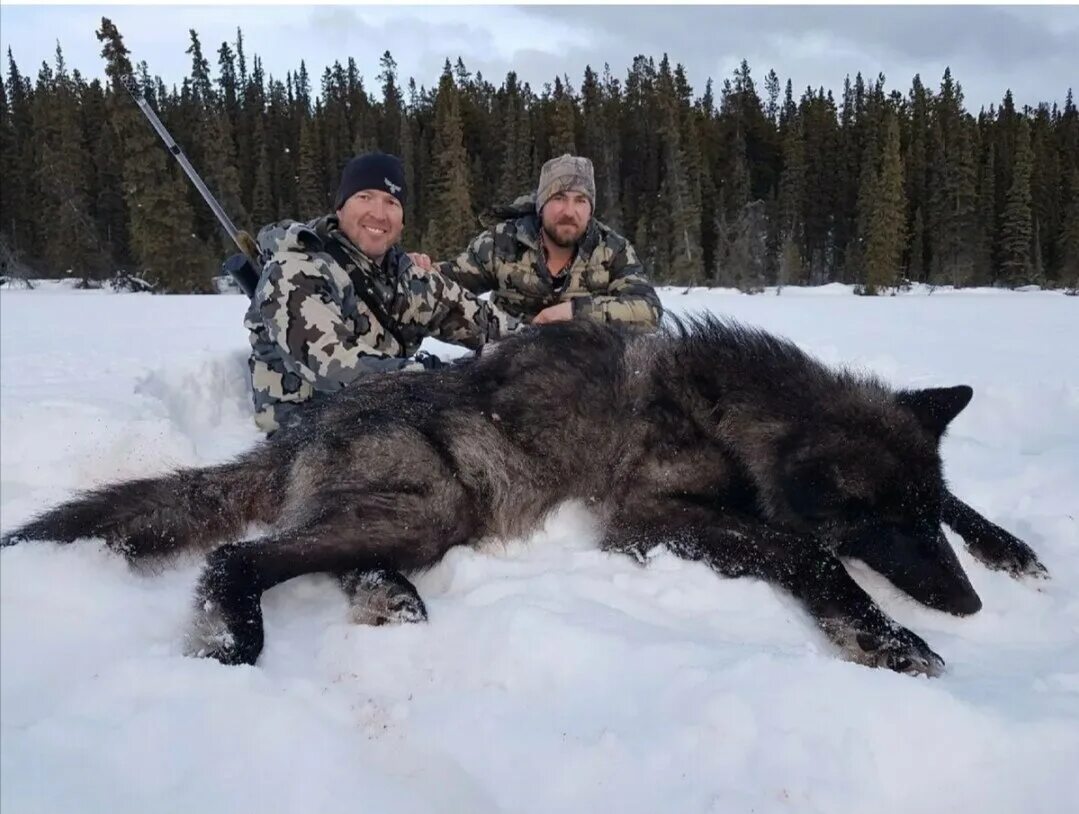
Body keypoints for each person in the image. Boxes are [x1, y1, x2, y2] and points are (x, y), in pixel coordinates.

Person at [244, 152, 519, 433]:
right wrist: (433, 378)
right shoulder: (295, 269)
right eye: (364, 196)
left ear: (402, 221)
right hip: (307, 438)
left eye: (391, 202)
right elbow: (333, 364)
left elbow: (487, 323)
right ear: (340, 208)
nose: (378, 213)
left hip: (386, 424)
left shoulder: (407, 279)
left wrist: (543, 348)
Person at [411, 154, 662, 329]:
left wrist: (574, 313)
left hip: (588, 370)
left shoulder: (612, 249)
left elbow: (648, 310)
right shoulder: (502, 242)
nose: (569, 211)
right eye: (559, 198)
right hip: (507, 363)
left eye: (580, 201)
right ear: (541, 205)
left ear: (590, 209)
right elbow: (450, 282)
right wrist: (420, 269)